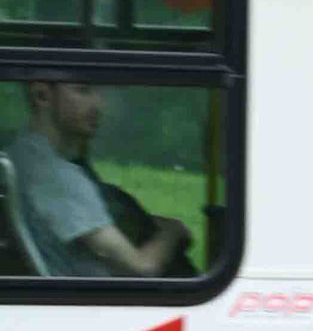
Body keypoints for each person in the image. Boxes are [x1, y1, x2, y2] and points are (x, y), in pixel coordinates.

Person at [2, 77, 181, 280]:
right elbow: (142, 267)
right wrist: (172, 231)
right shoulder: (59, 177)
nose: (98, 104)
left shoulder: (21, 153)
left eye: (99, 92)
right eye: (83, 90)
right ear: (42, 95)